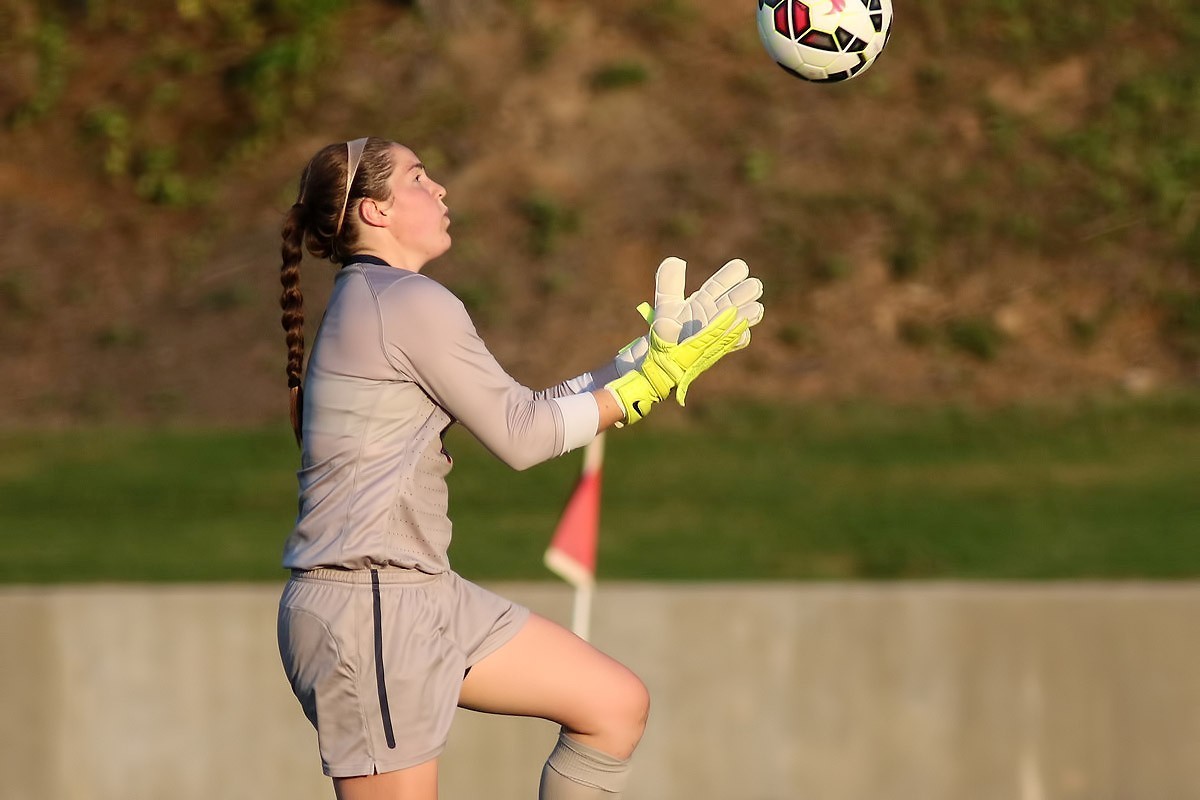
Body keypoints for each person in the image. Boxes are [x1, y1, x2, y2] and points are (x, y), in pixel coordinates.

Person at [276, 136, 764, 800]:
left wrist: (637, 362)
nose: (439, 188)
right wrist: (644, 387)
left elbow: (524, 411)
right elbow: (524, 439)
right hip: (372, 609)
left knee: (612, 705)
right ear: (375, 211)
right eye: (418, 177)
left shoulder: (388, 299)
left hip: (419, 594)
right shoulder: (404, 302)